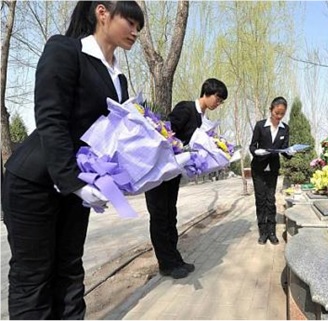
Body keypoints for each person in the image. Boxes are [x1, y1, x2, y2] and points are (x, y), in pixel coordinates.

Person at [1, 1, 144, 319]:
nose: (135, 31)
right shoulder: (65, 50)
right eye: (131, 22)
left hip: (79, 184)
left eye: (139, 27)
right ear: (102, 12)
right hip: (34, 181)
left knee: (69, 268)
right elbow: (51, 119)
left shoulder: (118, 78)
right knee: (34, 277)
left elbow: (110, 137)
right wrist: (72, 182)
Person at [145, 78, 228, 279]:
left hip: (172, 174)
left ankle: (175, 259)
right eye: (218, 98)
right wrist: (183, 148)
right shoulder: (186, 108)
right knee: (160, 217)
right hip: (159, 171)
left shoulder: (201, 119)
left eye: (221, 101)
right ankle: (166, 264)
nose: (219, 103)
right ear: (207, 93)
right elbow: (165, 134)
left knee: (170, 215)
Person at [249, 96, 296, 245]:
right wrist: (257, 152)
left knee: (271, 200)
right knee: (260, 199)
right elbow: (252, 146)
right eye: (277, 113)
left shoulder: (285, 128)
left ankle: (272, 232)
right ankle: (263, 232)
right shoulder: (260, 126)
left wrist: (290, 152)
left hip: (273, 168)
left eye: (282, 114)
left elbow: (284, 150)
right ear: (271, 110)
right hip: (258, 167)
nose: (279, 116)